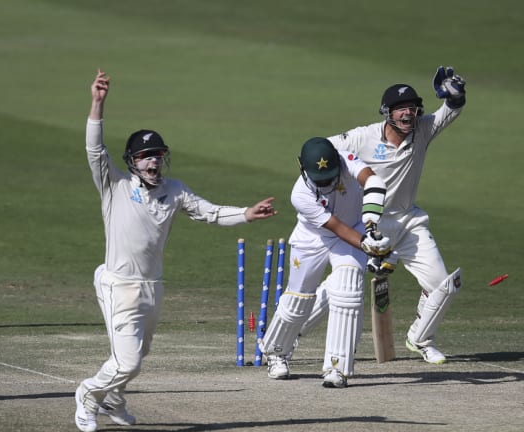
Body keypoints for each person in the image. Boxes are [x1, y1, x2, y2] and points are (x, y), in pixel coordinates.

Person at [74, 69, 278, 431]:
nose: (153, 162)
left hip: (153, 286)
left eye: (158, 155)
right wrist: (97, 104)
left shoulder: (175, 191)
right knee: (128, 362)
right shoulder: (114, 186)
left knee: (138, 355)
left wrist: (246, 214)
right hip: (118, 284)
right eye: (145, 156)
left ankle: (115, 400)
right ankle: (89, 395)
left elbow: (211, 213)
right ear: (132, 161)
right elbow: (94, 149)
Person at [295, 66, 467, 365]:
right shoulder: (362, 137)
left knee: (443, 283)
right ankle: (294, 333)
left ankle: (420, 339)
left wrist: (456, 95)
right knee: (343, 284)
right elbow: (321, 149)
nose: (407, 115)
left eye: (412, 109)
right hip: (366, 224)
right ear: (387, 113)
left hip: (408, 221)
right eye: (401, 110)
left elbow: (450, 111)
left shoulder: (423, 129)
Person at [258, 137, 392, 388]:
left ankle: (337, 367)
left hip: (354, 228)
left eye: (330, 177)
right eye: (321, 180)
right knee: (298, 298)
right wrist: (367, 245)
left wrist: (372, 226)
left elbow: (373, 181)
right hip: (314, 237)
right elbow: (335, 227)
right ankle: (276, 352)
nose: (327, 183)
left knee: (348, 293)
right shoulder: (300, 194)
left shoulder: (346, 160)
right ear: (302, 168)